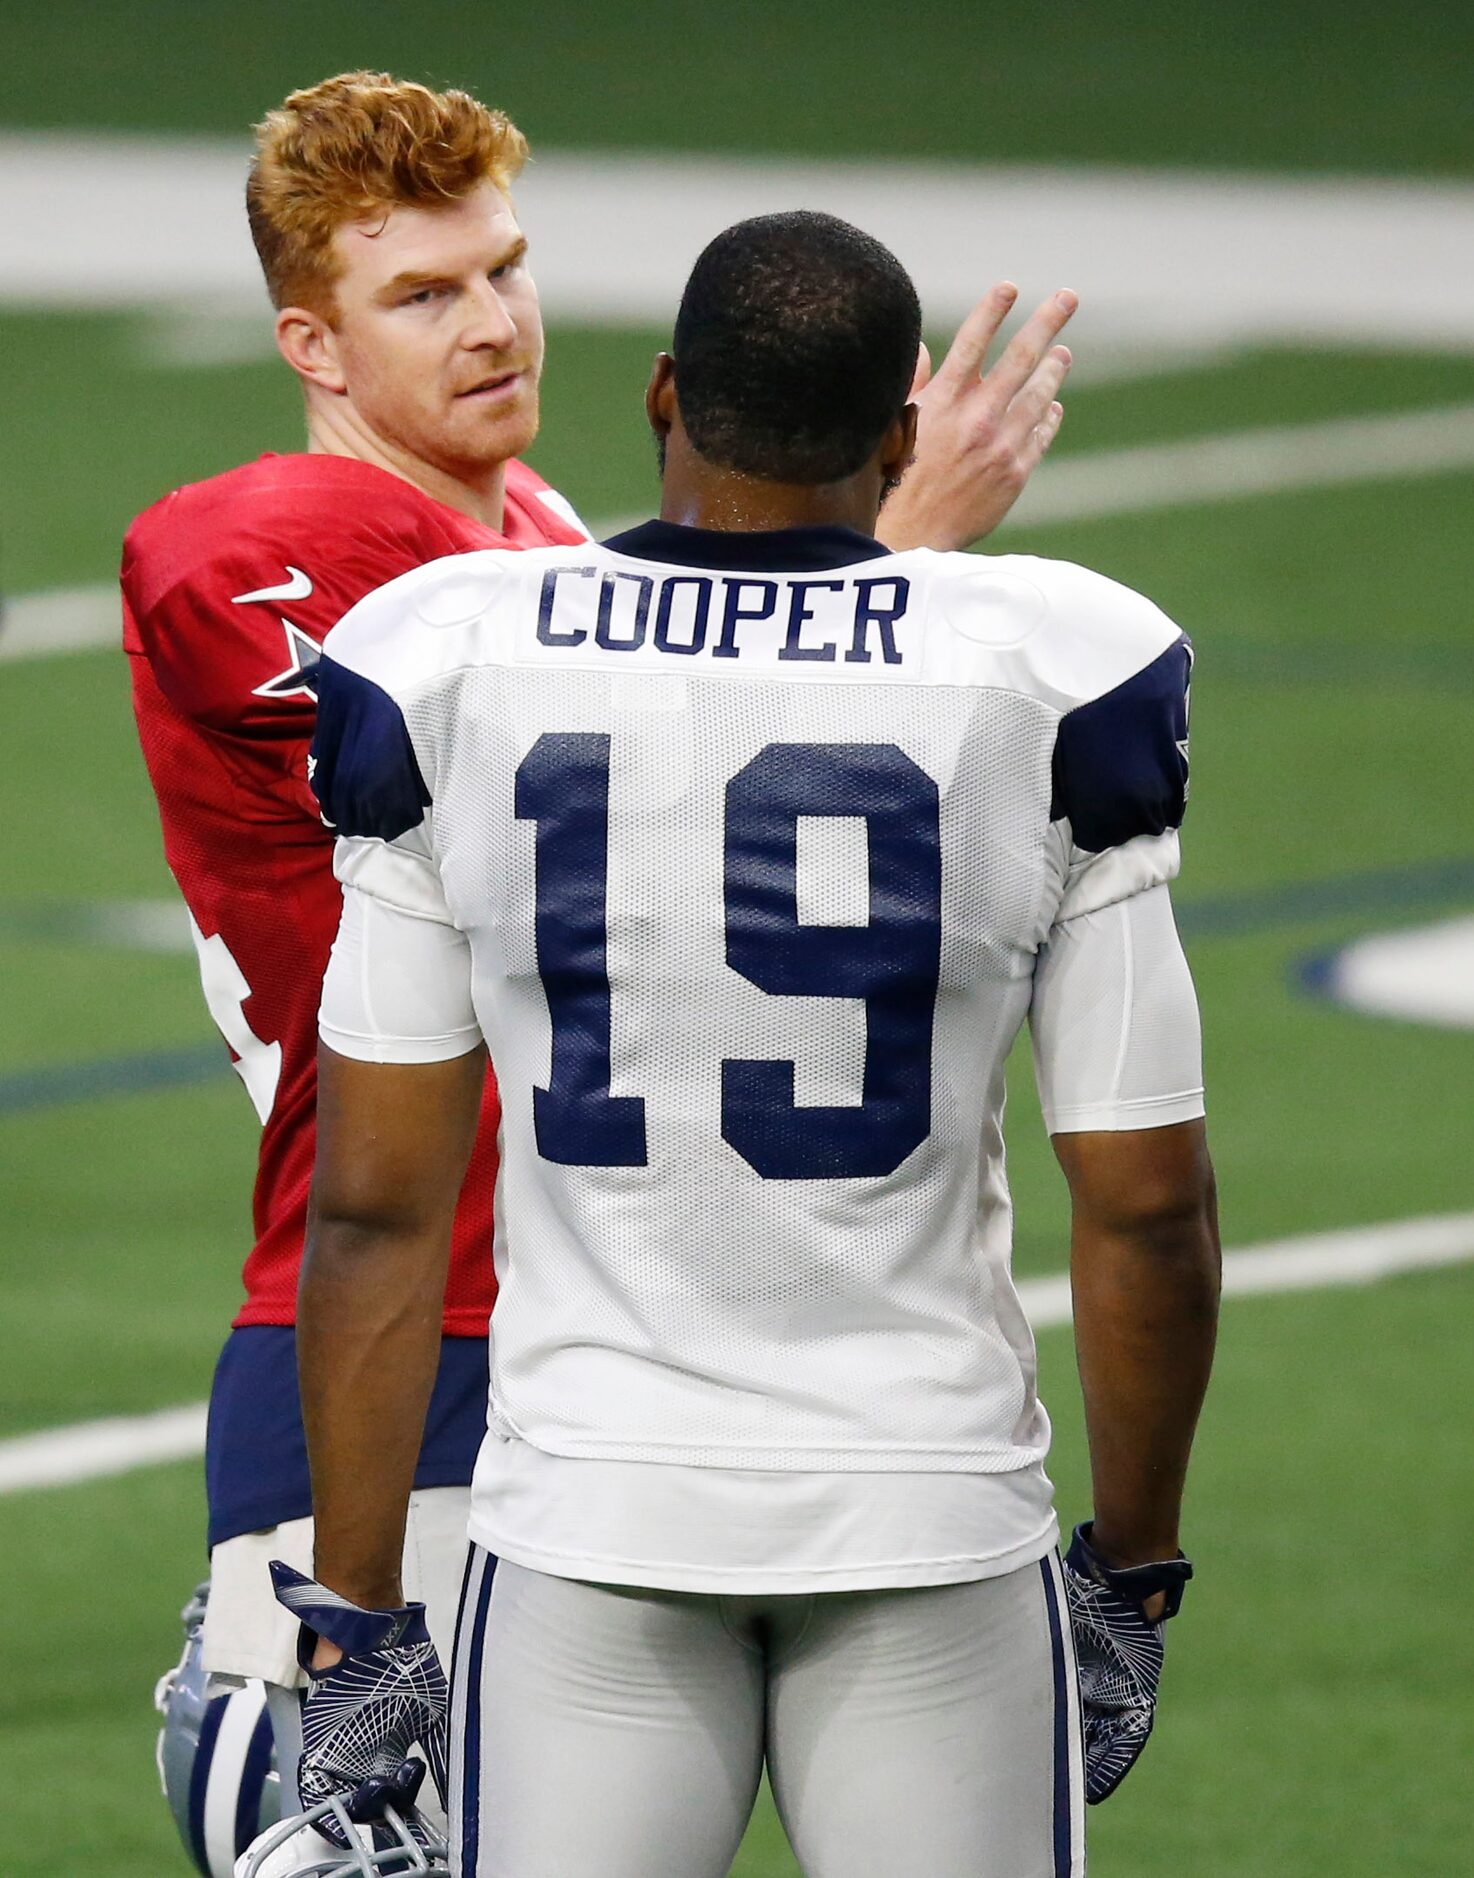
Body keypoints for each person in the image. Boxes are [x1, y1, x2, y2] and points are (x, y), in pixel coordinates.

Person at [128, 70, 1081, 1877]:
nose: (489, 324)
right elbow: (588, 759)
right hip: (417, 1337)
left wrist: (842, 571)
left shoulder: (557, 553)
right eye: (420, 296)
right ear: (309, 348)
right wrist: (890, 568)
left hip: (628, 1322)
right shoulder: (280, 551)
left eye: (504, 269)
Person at [281, 209, 1221, 1878]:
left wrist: (359, 1618)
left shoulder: (449, 655)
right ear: (898, 437)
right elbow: (1144, 1201)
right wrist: (1131, 1570)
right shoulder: (1054, 666)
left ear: (661, 394)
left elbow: (371, 1207)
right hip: (924, 1498)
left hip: (589, 1510)